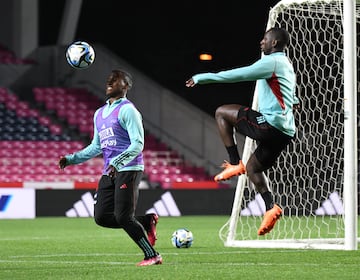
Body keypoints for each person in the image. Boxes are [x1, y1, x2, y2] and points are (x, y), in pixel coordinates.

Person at [185, 27, 299, 236]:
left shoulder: (271, 62)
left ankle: (234, 162)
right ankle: (270, 207)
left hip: (270, 124)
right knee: (254, 168)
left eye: (265, 39)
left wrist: (203, 77)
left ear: (274, 43)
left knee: (221, 112)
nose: (261, 42)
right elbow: (292, 98)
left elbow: (238, 75)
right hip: (285, 131)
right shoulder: (286, 65)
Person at [59, 69, 162, 266]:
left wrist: (118, 161)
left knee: (123, 216)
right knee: (102, 217)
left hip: (129, 168)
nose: (110, 81)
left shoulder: (128, 110)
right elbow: (96, 146)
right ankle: (146, 221)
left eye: (115, 79)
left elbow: (138, 144)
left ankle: (152, 255)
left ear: (125, 86)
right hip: (110, 171)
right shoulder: (99, 114)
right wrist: (72, 159)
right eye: (109, 79)